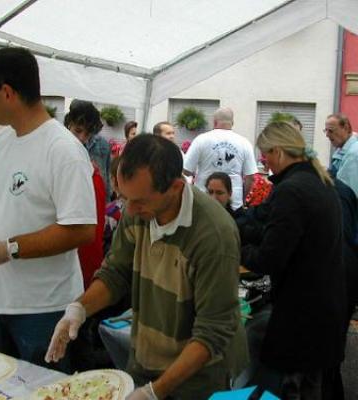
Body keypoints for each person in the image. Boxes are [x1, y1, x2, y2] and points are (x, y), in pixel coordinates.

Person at [45, 134, 248, 399]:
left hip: (198, 380)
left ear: (175, 188)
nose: (128, 210)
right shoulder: (137, 210)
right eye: (123, 197)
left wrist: (154, 392)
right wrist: (79, 309)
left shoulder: (213, 235)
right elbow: (116, 273)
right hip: (144, 360)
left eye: (139, 201)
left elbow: (212, 333)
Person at [0, 48, 96, 372]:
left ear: (7, 92)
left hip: (44, 310)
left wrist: (9, 249)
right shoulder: (3, 141)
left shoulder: (62, 149)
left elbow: (81, 229)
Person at [241, 122, 347, 399]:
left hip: (302, 313)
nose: (266, 165)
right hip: (325, 309)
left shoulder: (292, 189)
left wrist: (236, 250)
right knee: (311, 385)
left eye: (266, 157)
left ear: (278, 151)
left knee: (292, 387)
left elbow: (269, 258)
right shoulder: (321, 182)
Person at [184, 107, 258, 210]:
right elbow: (251, 177)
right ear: (232, 123)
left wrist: (199, 173)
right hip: (233, 202)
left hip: (204, 199)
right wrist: (242, 198)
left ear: (214, 122)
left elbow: (186, 170)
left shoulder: (201, 140)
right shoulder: (244, 142)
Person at [67, 99, 111, 201]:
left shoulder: (102, 145)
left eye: (87, 133)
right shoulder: (60, 144)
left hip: (96, 202)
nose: (82, 137)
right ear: (69, 124)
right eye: (78, 131)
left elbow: (106, 179)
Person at [326, 113, 358, 197]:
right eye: (325, 130)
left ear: (346, 128)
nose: (327, 135)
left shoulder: (353, 154)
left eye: (331, 130)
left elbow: (348, 194)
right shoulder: (342, 149)